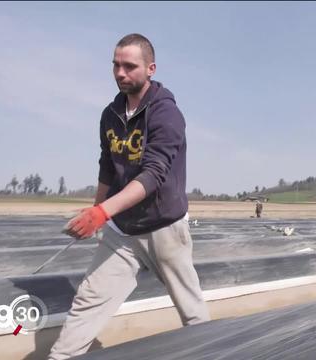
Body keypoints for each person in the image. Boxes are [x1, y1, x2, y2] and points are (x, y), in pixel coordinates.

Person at [48, 33, 210, 360]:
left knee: (191, 310)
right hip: (121, 231)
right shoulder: (110, 115)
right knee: (88, 301)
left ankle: (211, 351)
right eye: (116, 65)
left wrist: (102, 212)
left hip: (164, 229)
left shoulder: (166, 114)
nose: (121, 73)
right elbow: (108, 167)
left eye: (130, 66)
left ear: (150, 69)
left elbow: (152, 176)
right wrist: (97, 213)